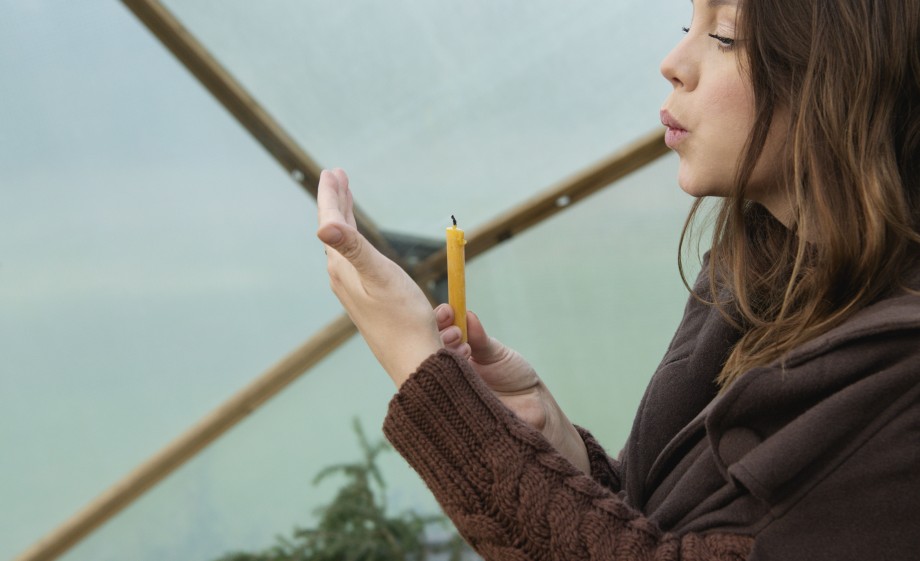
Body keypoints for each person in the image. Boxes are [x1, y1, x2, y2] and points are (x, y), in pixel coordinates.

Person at [315, 0, 920, 558]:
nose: (673, 63)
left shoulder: (903, 384)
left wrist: (422, 369)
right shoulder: (749, 277)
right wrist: (554, 442)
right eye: (689, 27)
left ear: (846, 71)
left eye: (725, 36)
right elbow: (665, 528)